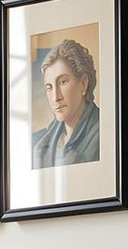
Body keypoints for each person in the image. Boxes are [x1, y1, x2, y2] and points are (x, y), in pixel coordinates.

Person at [32, 39, 100, 168]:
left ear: (83, 83)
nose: (56, 97)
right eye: (49, 87)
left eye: (62, 82)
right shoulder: (39, 142)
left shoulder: (104, 133)